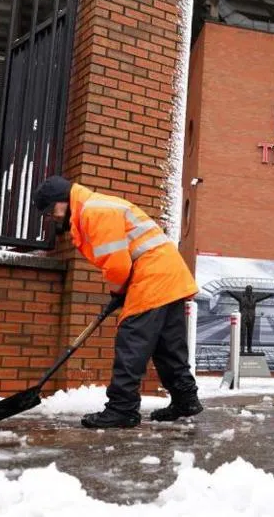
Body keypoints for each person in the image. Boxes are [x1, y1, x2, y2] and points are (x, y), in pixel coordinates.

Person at [32, 176, 202, 428]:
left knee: (131, 342)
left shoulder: (93, 212)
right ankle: (185, 399)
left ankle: (122, 409)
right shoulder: (95, 207)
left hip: (152, 277)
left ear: (62, 201)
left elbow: (117, 264)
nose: (52, 217)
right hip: (169, 276)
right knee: (168, 345)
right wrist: (120, 292)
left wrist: (117, 292)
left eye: (50, 211)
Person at [224, 285, 273, 354]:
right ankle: (242, 349)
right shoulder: (241, 297)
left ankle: (249, 349)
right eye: (248, 289)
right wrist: (228, 291)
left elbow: (263, 297)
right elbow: (233, 294)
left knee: (250, 334)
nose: (249, 291)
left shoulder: (254, 298)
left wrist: (270, 295)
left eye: (250, 290)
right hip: (243, 317)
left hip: (251, 318)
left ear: (251, 290)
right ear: (246, 290)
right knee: (242, 334)